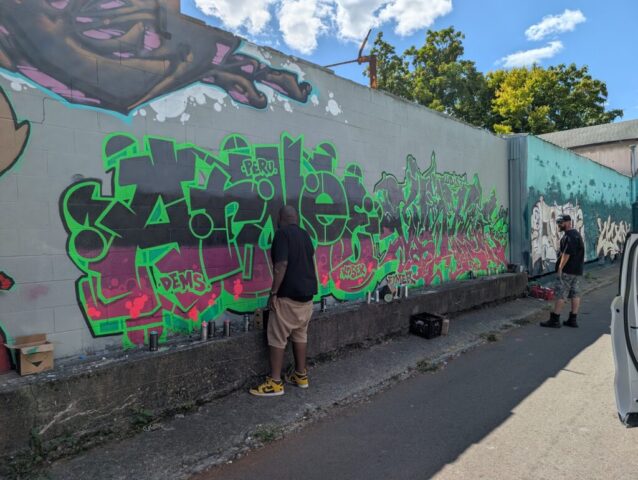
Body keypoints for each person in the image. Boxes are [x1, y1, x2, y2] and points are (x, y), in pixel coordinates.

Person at [250, 206, 318, 397]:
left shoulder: (281, 235)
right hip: (307, 297)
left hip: (288, 297)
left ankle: (275, 383)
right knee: (300, 335)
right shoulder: (305, 235)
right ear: (296, 218)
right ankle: (301, 375)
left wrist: (273, 293)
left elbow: (282, 264)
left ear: (279, 219)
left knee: (277, 337)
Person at [540, 214, 585, 328]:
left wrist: (560, 268)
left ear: (568, 223)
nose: (559, 225)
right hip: (577, 270)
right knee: (575, 294)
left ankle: (555, 320)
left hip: (567, 271)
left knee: (561, 294)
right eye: (558, 222)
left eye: (561, 222)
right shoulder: (577, 235)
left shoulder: (569, 236)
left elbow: (566, 254)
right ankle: (573, 319)